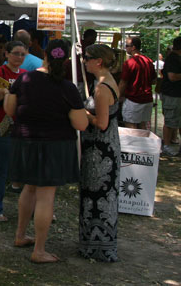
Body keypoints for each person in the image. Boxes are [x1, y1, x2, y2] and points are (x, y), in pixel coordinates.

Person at [4, 39, 88, 264]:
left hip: (26, 141)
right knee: (45, 196)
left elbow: (10, 109)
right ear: (67, 60)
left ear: (45, 56)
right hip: (55, 145)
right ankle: (39, 250)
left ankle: (20, 236)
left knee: (29, 188)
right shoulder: (67, 87)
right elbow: (81, 124)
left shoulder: (24, 78)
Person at [79, 43, 121, 262]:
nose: (84, 61)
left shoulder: (102, 88)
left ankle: (97, 247)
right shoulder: (104, 82)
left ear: (99, 61)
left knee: (98, 198)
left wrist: (84, 113)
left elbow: (102, 123)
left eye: (87, 57)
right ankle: (94, 244)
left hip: (100, 150)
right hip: (104, 147)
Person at [0, 41, 27, 221]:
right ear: (6, 54)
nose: (19, 58)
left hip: (18, 126)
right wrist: (5, 91)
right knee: (0, 167)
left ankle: (29, 207)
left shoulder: (25, 75)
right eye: (15, 53)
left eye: (22, 54)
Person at [159, 36, 181, 157]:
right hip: (173, 96)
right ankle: (167, 145)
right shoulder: (172, 59)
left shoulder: (179, 58)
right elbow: (172, 77)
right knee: (170, 121)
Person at [119, 36, 156, 129]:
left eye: (127, 46)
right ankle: (143, 143)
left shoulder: (129, 63)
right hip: (147, 99)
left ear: (133, 47)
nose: (125, 48)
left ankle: (134, 144)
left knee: (130, 125)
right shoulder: (149, 61)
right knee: (143, 126)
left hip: (133, 100)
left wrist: (117, 96)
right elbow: (154, 81)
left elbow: (123, 83)